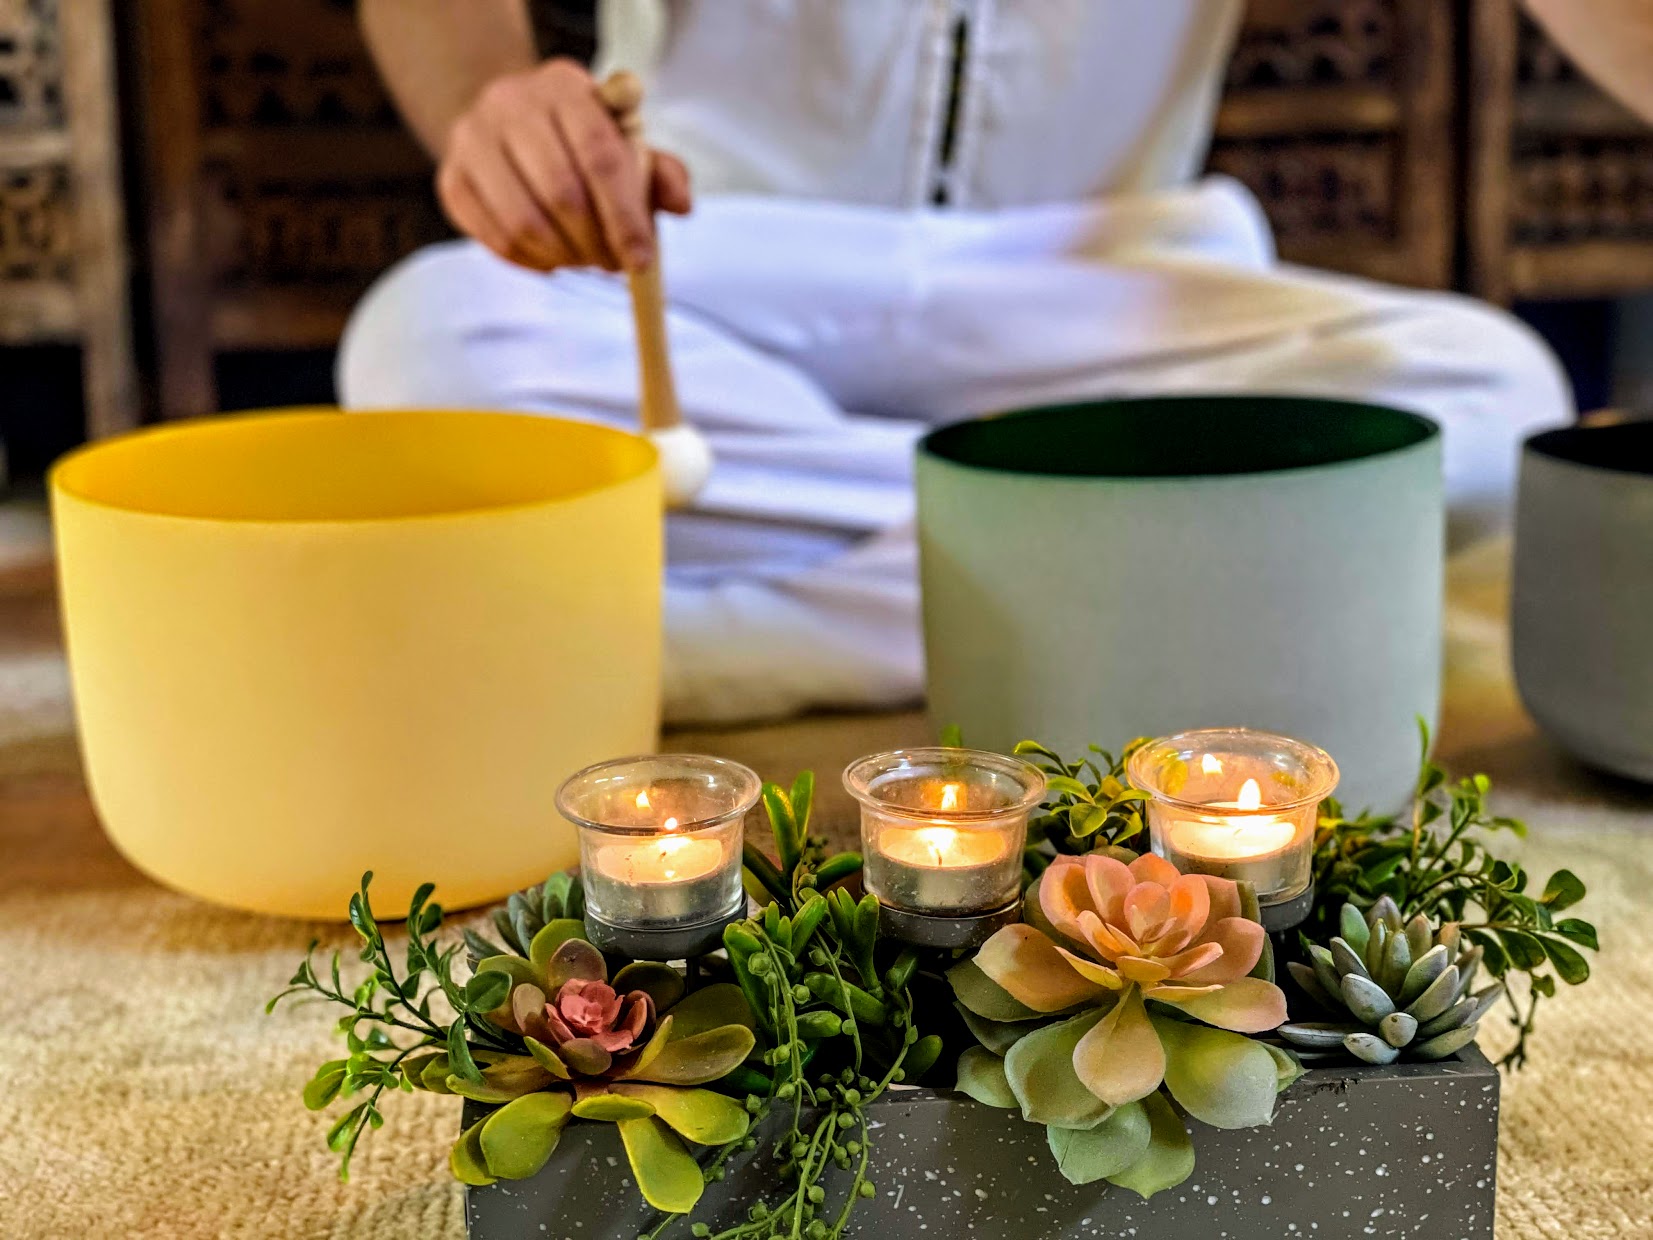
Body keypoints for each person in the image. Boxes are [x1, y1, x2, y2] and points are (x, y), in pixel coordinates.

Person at [340, 0, 1613, 724]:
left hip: (1100, 272)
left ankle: (719, 641)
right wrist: (493, 113)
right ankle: (1138, 566)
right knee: (424, 335)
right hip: (711, 257)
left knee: (1491, 396)